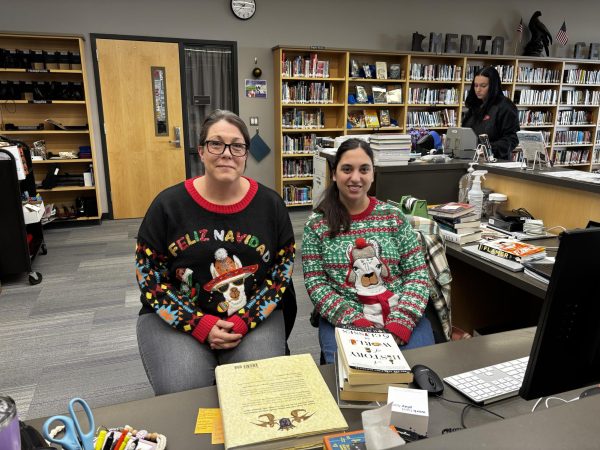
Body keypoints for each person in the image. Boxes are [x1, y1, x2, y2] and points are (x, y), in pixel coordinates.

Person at [135, 109, 296, 395]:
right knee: (183, 391)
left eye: (237, 146)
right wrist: (198, 324)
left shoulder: (270, 205)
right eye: (216, 144)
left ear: (246, 153)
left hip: (251, 315)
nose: (227, 153)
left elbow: (282, 275)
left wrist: (245, 319)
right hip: (180, 315)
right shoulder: (167, 205)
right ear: (201, 151)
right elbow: (149, 277)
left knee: (260, 390)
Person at [302, 138, 434, 364]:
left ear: (373, 174)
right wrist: (355, 323)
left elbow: (417, 275)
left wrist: (401, 321)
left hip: (400, 313)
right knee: (356, 388)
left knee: (422, 378)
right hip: (345, 318)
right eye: (346, 169)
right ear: (334, 174)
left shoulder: (392, 217)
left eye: (364, 169)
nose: (355, 178)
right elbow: (317, 284)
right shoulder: (317, 224)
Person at [462, 66, 520, 160]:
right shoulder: (475, 105)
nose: (478, 90)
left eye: (483, 86)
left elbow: (512, 138)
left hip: (496, 160)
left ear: (493, 86)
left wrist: (489, 149)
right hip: (472, 158)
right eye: (476, 85)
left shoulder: (506, 107)